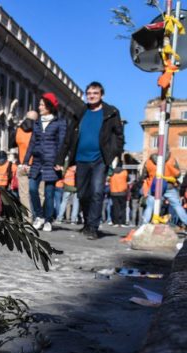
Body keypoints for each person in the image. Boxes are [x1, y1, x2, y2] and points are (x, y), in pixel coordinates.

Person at [55, 82, 124, 240]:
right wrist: (60, 158)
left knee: (97, 192)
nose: (91, 96)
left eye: (95, 93)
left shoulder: (111, 112)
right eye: (89, 93)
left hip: (100, 159)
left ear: (102, 95)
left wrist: (113, 153)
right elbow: (68, 138)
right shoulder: (80, 112)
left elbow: (119, 135)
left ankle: (93, 227)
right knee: (83, 194)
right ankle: (87, 223)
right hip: (81, 159)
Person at [22, 93, 66, 232]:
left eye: (41, 104)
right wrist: (25, 160)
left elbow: (62, 143)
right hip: (37, 161)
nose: (39, 107)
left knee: (49, 193)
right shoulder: (37, 123)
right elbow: (32, 142)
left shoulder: (60, 123)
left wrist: (59, 161)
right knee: (32, 189)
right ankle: (39, 216)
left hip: (51, 161)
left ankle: (48, 220)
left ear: (49, 106)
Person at [141, 151, 187, 226]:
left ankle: (144, 225)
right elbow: (178, 174)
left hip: (155, 186)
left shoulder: (148, 161)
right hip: (169, 186)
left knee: (150, 206)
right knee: (177, 206)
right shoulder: (172, 159)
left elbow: (143, 176)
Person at [9, 111, 38, 213]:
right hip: (36, 165)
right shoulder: (38, 130)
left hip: (22, 165)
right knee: (38, 193)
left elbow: (11, 144)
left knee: (24, 194)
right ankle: (37, 216)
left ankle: (27, 218)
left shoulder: (18, 130)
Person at [109, 159, 129, 227]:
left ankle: (116, 222)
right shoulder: (125, 172)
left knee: (115, 207)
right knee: (123, 208)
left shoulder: (112, 173)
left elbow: (108, 179)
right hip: (123, 192)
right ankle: (122, 222)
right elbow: (128, 180)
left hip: (113, 192)